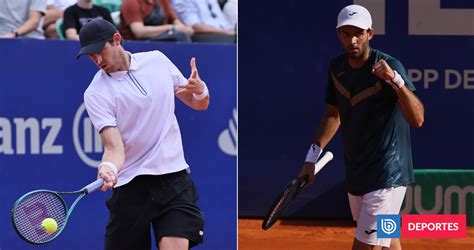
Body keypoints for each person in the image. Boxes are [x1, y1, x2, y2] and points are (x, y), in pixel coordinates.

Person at [297, 5, 424, 250]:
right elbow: (333, 114)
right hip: (358, 173)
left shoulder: (390, 65)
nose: (352, 39)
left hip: (388, 173)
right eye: (346, 33)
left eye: (358, 33)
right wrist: (311, 158)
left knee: (365, 246)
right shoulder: (337, 68)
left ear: (370, 33)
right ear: (338, 34)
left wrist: (395, 81)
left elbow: (417, 119)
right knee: (387, 241)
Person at [77, 19, 209, 250]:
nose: (97, 60)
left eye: (100, 51)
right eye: (91, 56)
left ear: (116, 39)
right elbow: (113, 147)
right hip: (130, 188)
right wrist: (108, 167)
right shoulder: (95, 93)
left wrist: (201, 90)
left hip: (173, 179)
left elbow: (198, 104)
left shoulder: (157, 60)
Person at [119, 0, 193, 42]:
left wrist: (186, 28)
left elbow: (177, 22)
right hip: (138, 43)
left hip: (162, 37)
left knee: (197, 36)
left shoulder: (162, 1)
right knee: (180, 35)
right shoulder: (131, 2)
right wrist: (171, 27)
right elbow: (139, 32)